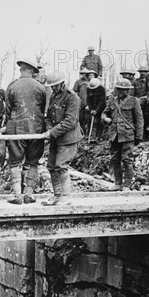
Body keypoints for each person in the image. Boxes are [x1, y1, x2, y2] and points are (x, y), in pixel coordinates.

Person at [5, 59, 47, 205]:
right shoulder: (40, 87)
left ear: (22, 70)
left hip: (16, 129)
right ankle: (29, 193)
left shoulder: (12, 86)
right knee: (33, 162)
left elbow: (8, 110)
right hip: (36, 129)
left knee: (15, 162)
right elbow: (43, 110)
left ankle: (17, 195)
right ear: (32, 71)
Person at [41, 72, 83, 205]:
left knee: (61, 165)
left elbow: (70, 122)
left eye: (55, 86)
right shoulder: (53, 96)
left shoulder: (72, 98)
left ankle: (66, 196)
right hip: (56, 137)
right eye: (51, 87)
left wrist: (52, 132)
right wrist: (48, 129)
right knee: (51, 166)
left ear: (62, 84)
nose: (52, 88)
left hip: (68, 137)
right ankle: (57, 195)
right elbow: (48, 117)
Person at [102, 78, 143, 191]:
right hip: (114, 135)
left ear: (128, 91)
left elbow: (139, 119)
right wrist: (105, 119)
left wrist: (139, 136)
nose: (122, 92)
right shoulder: (112, 101)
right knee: (115, 159)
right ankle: (118, 183)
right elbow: (104, 113)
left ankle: (127, 185)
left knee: (127, 159)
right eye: (120, 89)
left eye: (124, 90)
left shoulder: (134, 101)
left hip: (127, 135)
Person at [133, 67, 149, 139]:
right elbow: (131, 94)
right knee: (138, 119)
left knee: (148, 120)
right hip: (138, 104)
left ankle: (147, 136)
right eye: (141, 72)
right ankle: (139, 136)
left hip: (148, 104)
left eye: (144, 72)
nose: (143, 73)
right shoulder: (135, 82)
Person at [73, 68, 91, 134]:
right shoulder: (78, 82)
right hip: (79, 102)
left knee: (86, 118)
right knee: (79, 118)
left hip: (88, 103)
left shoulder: (89, 82)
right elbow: (74, 92)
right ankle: (80, 132)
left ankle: (86, 133)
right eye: (82, 73)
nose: (83, 75)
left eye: (85, 74)